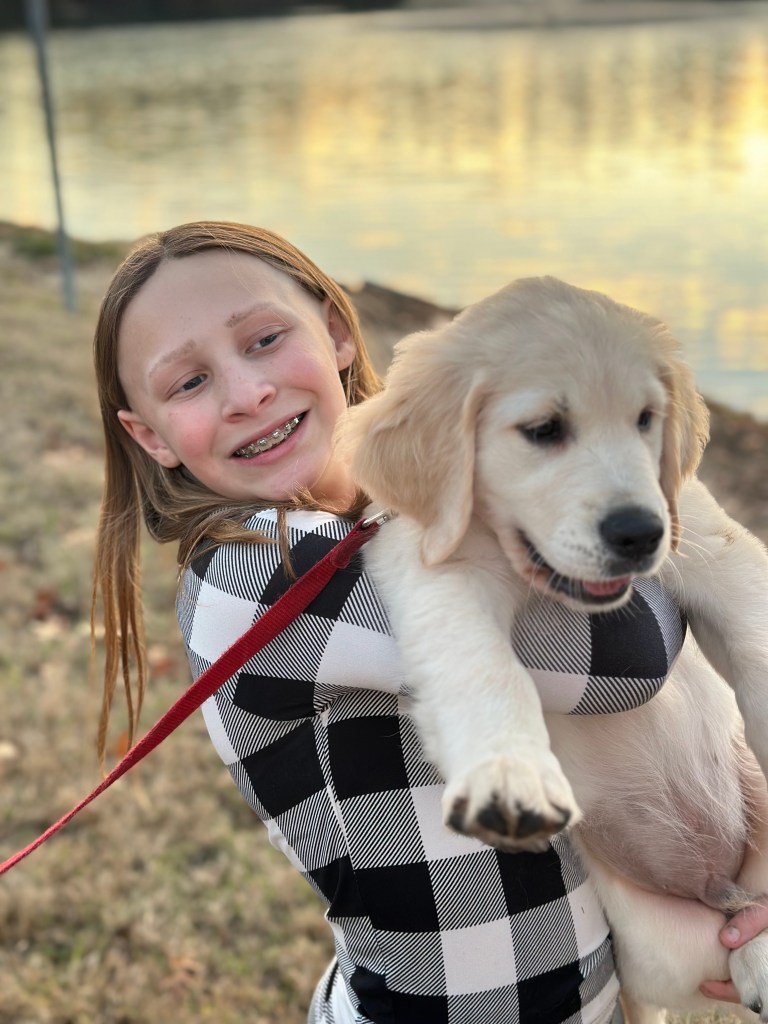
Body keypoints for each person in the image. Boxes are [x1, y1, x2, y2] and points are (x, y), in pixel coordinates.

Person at [91, 220, 760, 1024]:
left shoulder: (418, 509)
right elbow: (626, 656)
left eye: (264, 340)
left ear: (337, 333)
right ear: (149, 436)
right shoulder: (248, 577)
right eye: (189, 383)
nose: (246, 393)